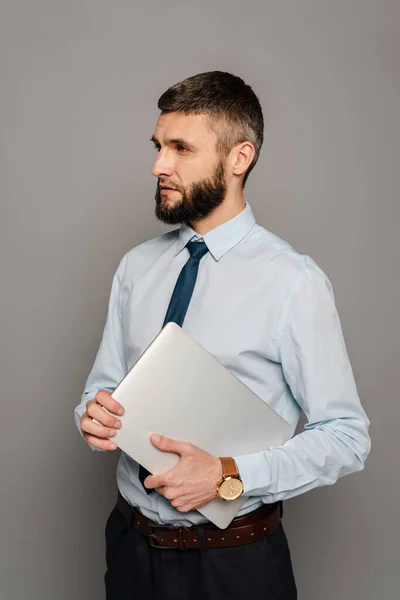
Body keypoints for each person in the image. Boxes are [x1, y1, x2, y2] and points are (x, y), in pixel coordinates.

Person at [74, 71, 371, 599]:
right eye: (159, 146)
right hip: (130, 548)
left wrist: (228, 476)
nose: (158, 166)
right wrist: (92, 416)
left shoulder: (294, 283)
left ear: (239, 158)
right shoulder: (136, 267)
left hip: (234, 564)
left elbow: (346, 437)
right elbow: (100, 388)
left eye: (180, 148)